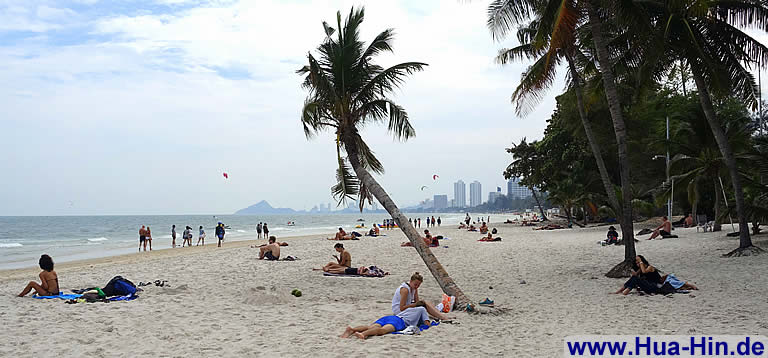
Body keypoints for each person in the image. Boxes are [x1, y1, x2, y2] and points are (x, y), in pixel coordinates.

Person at [340, 305, 431, 339]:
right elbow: (427, 323)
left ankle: (352, 329)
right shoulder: (422, 309)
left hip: (390, 317)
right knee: (382, 330)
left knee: (370, 326)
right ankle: (363, 334)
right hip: (399, 321)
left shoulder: (409, 309)